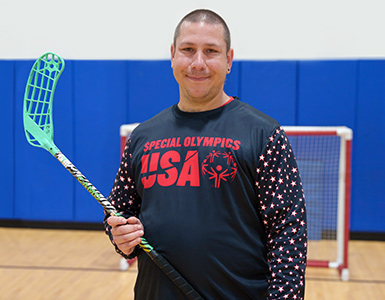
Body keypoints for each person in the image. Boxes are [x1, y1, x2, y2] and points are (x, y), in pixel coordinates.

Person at [104, 9, 307, 300]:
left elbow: (288, 233)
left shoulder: (264, 134)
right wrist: (121, 238)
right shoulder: (142, 137)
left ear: (229, 60)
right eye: (188, 50)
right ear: (173, 55)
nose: (198, 63)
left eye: (211, 51)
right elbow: (119, 214)